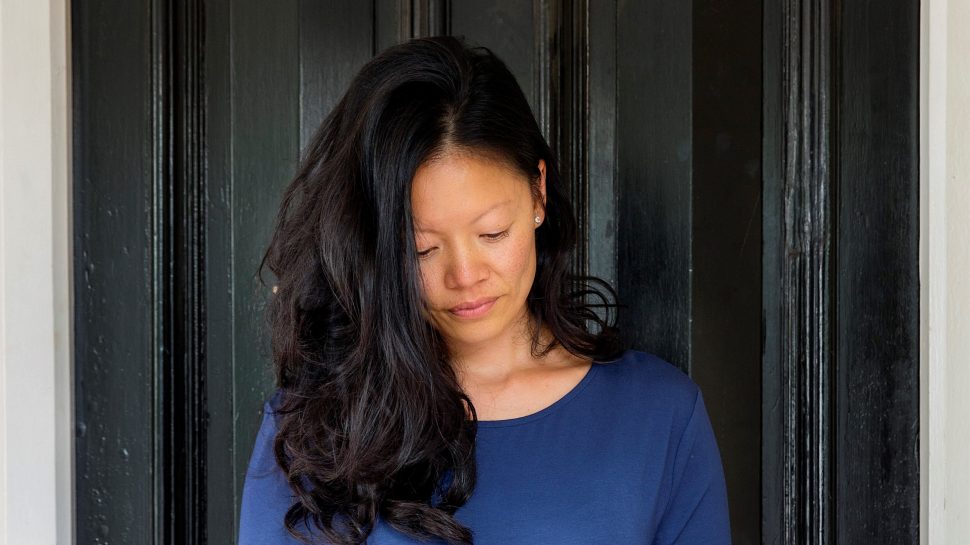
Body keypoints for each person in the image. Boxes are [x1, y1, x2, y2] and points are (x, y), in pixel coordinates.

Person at [239, 35, 730, 545]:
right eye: (422, 249)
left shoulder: (659, 416)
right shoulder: (316, 429)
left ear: (538, 191)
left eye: (492, 233)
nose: (465, 275)